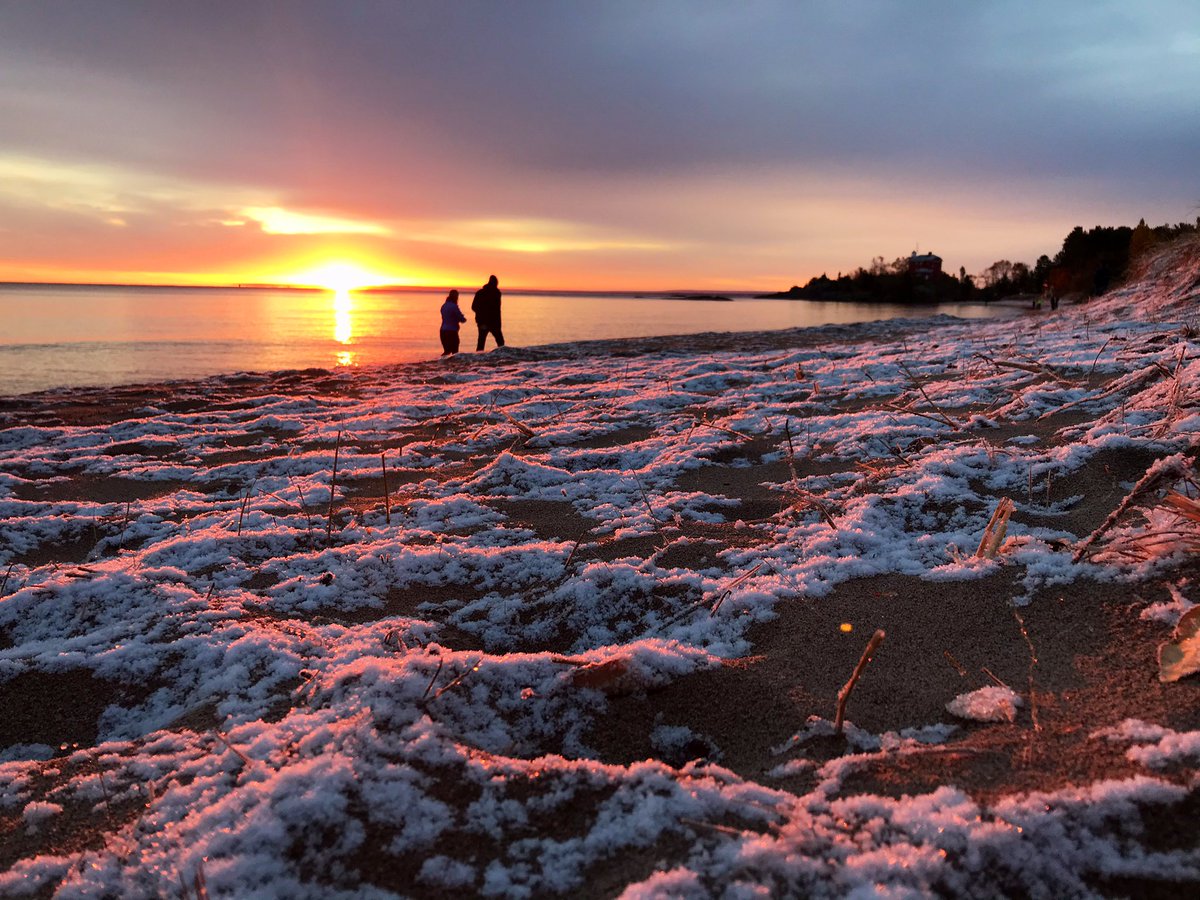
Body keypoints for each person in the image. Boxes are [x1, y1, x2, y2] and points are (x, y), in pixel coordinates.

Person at [471, 274, 504, 351]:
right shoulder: (497, 293)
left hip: (484, 322)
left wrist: (480, 317)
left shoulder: (480, 293)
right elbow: (497, 310)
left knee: (481, 343)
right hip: (493, 322)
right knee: (500, 342)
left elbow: (474, 307)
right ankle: (502, 358)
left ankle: (478, 359)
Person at [439, 289, 466, 356]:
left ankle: (442, 364)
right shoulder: (454, 306)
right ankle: (453, 366)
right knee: (455, 352)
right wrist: (463, 319)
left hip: (443, 331)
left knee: (446, 351)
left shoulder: (444, 306)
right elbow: (461, 318)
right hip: (452, 332)